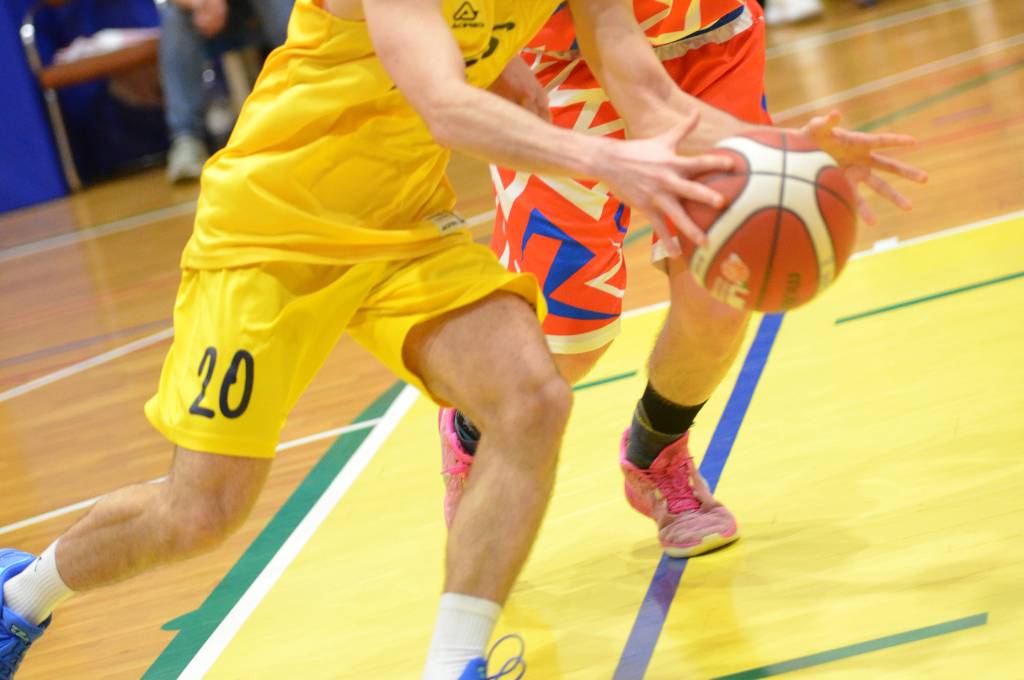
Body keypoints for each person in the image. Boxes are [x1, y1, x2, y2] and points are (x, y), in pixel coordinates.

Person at [0, 0, 764, 677]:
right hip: (272, 232)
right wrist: (601, 156)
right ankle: (19, 598)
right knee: (201, 511)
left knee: (532, 399)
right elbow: (445, 106)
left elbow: (651, 95)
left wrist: (797, 153)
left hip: (403, 228)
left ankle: (454, 664)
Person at [440, 0, 927, 560]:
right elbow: (649, 104)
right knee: (565, 347)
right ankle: (471, 430)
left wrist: (790, 154)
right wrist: (783, 151)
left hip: (712, 44)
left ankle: (657, 455)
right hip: (563, 67)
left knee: (722, 297)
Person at [159, 0, 293, 182]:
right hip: (210, 16)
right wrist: (201, 3)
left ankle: (308, 106)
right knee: (174, 16)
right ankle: (186, 140)